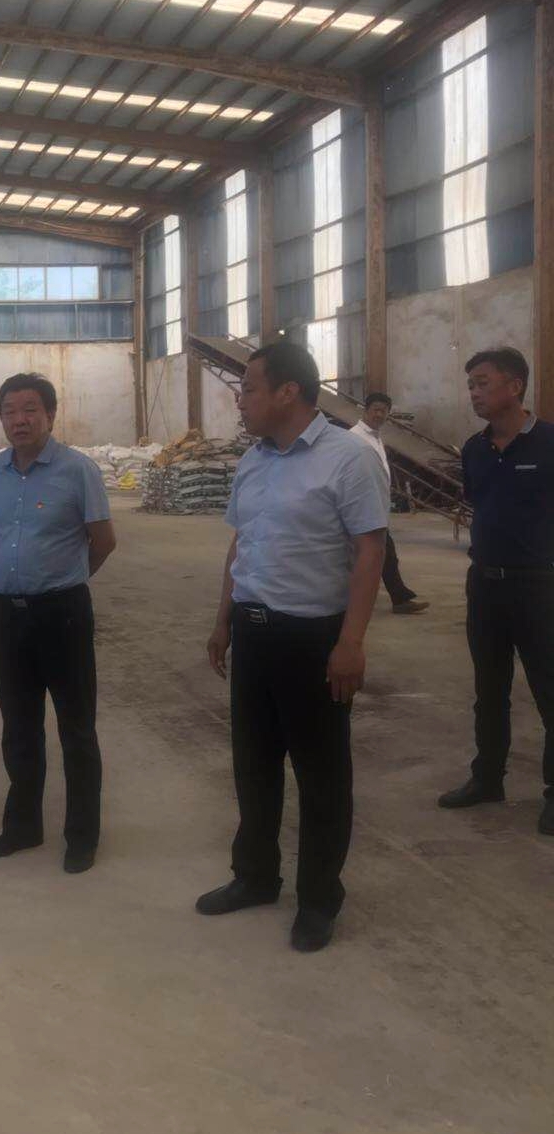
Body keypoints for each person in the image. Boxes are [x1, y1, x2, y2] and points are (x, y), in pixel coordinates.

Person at [197, 342, 389, 953]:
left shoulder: (349, 458)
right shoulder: (253, 460)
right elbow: (241, 544)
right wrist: (224, 621)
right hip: (253, 633)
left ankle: (318, 899)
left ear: (288, 392)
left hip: (313, 639)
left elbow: (370, 551)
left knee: (321, 777)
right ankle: (255, 876)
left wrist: (351, 642)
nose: (240, 401)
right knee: (253, 767)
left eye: (249, 389)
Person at [0, 373, 116, 875]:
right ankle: (22, 827)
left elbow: (103, 541)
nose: (20, 419)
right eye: (10, 410)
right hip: (6, 614)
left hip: (63, 613)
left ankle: (82, 836)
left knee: (76, 727)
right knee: (18, 724)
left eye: (30, 409)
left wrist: (67, 581)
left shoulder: (78, 471)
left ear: (50, 415)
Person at [437, 348, 554, 836]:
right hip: (484, 585)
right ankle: (487, 779)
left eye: (483, 383)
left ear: (516, 386)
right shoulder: (474, 449)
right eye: (470, 386)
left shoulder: (548, 443)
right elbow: (477, 503)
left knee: (549, 690)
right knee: (489, 690)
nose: (474, 393)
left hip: (539, 587)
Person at [350, 393, 429, 615]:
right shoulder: (354, 438)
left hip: (376, 507)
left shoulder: (376, 437)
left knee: (382, 553)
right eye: (375, 409)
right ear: (365, 410)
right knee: (379, 553)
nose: (379, 414)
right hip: (362, 507)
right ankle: (398, 597)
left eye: (383, 411)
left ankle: (398, 597)